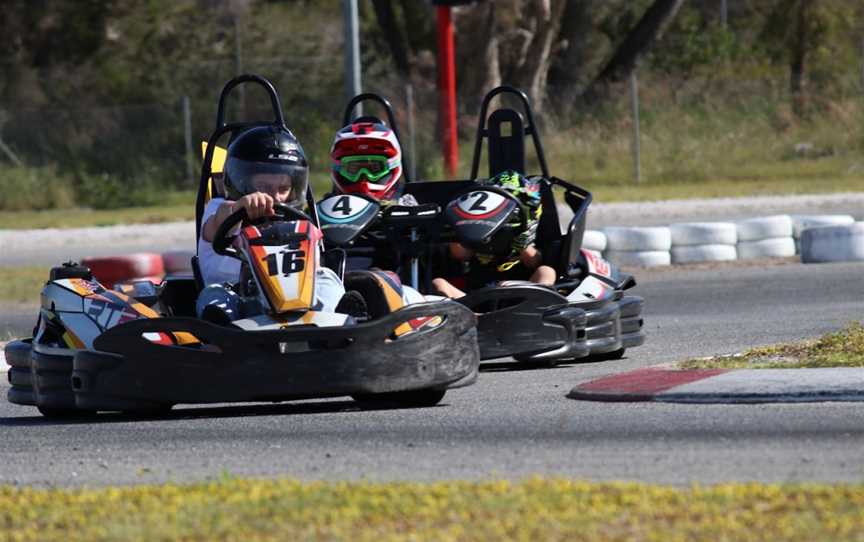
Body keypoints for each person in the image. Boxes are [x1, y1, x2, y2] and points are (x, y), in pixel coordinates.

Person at [196, 125, 346, 321]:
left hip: (299, 304)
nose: (274, 197)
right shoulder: (221, 208)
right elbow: (218, 222)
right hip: (241, 301)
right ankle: (220, 328)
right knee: (215, 294)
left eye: (282, 188)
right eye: (264, 187)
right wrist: (241, 208)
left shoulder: (299, 220)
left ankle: (337, 320)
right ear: (242, 182)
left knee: (327, 278)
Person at [432, 170, 557, 299]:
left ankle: (536, 306)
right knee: (439, 283)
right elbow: (461, 254)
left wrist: (523, 245)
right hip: (476, 298)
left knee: (547, 272)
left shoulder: (524, 231)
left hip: (519, 295)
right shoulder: (479, 227)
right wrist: (456, 230)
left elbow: (534, 262)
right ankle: (473, 316)